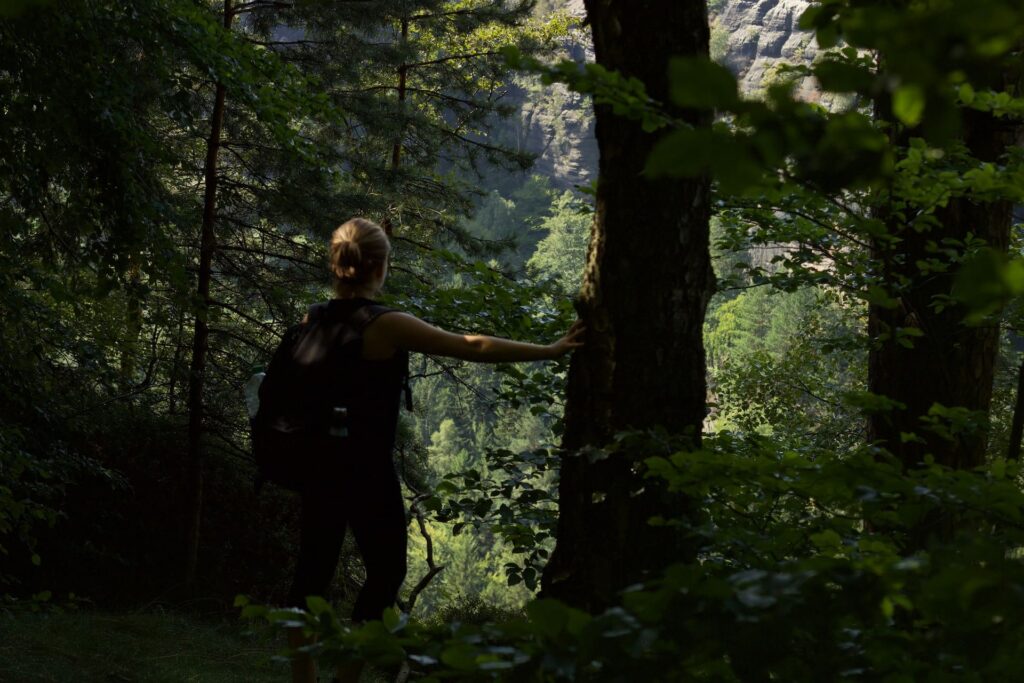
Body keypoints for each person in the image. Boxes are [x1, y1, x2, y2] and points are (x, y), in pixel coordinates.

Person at [287, 217, 584, 683]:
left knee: (312, 571)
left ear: (335, 264)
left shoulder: (312, 318)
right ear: (380, 267)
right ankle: (346, 677)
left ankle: (302, 675)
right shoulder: (385, 325)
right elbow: (473, 346)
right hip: (365, 471)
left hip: (317, 466)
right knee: (385, 573)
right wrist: (549, 350)